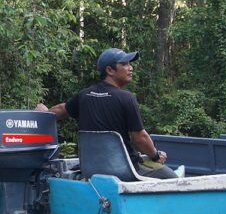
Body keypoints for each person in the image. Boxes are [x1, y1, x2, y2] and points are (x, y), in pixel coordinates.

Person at [36, 48, 179, 179]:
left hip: (91, 169)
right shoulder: (126, 98)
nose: (131, 68)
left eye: (130, 64)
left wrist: (44, 114)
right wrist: (155, 155)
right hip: (125, 169)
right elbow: (140, 138)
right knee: (172, 178)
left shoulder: (84, 95)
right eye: (125, 64)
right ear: (110, 70)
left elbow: (62, 109)